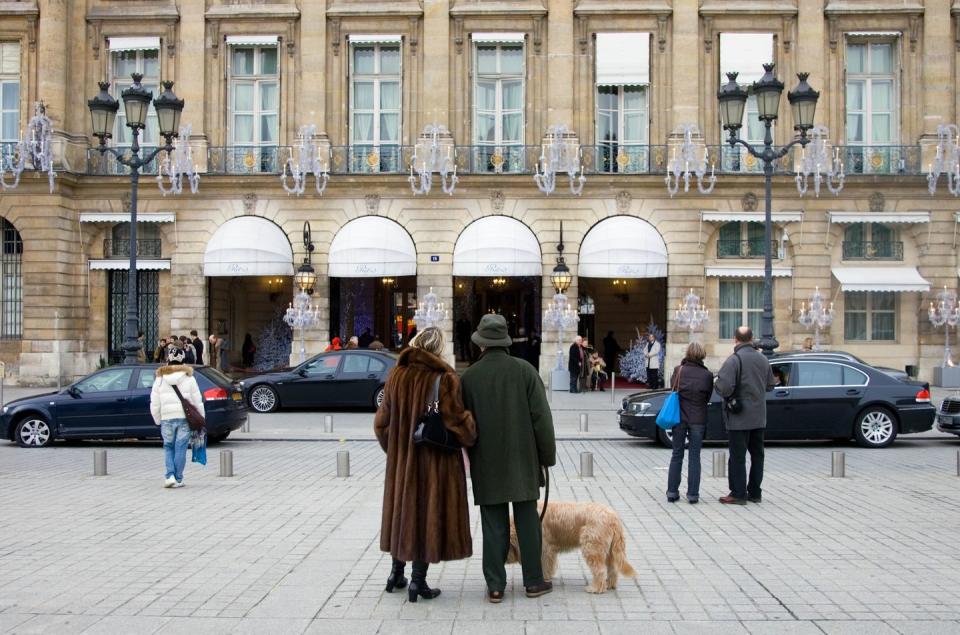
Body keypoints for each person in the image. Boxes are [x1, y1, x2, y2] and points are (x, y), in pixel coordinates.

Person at [374, 327, 477, 603]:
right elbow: (456, 423)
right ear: (438, 349)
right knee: (427, 515)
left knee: (403, 512)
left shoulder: (396, 374)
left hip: (402, 461)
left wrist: (396, 450)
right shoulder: (444, 379)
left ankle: (396, 574)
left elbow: (381, 423)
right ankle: (418, 582)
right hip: (435, 463)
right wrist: (470, 431)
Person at [461, 314, 556, 603]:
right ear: (505, 342)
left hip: (486, 461)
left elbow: (464, 425)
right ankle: (533, 581)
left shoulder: (469, 377)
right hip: (523, 459)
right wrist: (547, 457)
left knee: (493, 523)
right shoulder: (525, 371)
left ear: (481, 344)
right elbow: (542, 419)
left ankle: (495, 586)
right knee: (528, 520)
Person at [715, 326, 775, 505]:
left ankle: (738, 493)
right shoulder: (764, 359)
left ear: (735, 340)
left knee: (737, 456)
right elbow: (770, 385)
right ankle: (755, 492)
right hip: (759, 416)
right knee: (757, 455)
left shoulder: (734, 360)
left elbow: (723, 387)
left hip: (739, 417)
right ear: (752, 338)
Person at [149, 342, 205, 488]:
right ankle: (178, 478)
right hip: (184, 418)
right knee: (180, 447)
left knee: (168, 447)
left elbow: (155, 402)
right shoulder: (189, 378)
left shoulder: (160, 379)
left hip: (166, 418)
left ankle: (169, 476)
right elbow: (197, 401)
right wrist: (202, 418)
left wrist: (157, 419)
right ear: (183, 361)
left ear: (167, 360)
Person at [666, 342, 714, 504]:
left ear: (688, 353)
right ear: (702, 355)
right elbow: (707, 397)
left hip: (679, 418)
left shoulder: (678, 371)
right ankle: (693, 494)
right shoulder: (707, 375)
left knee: (676, 454)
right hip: (698, 419)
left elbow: (672, 388)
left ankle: (672, 492)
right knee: (695, 456)